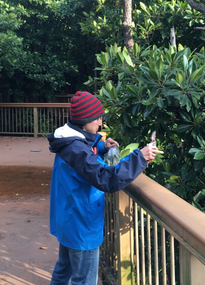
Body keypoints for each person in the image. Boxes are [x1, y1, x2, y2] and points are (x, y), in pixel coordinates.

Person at [47, 91, 162, 285]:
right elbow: (105, 178)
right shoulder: (77, 149)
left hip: (67, 220)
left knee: (64, 270)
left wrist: (101, 147)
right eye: (97, 118)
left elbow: (84, 153)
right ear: (85, 120)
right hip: (82, 225)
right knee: (84, 280)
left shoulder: (69, 140)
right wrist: (140, 157)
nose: (100, 123)